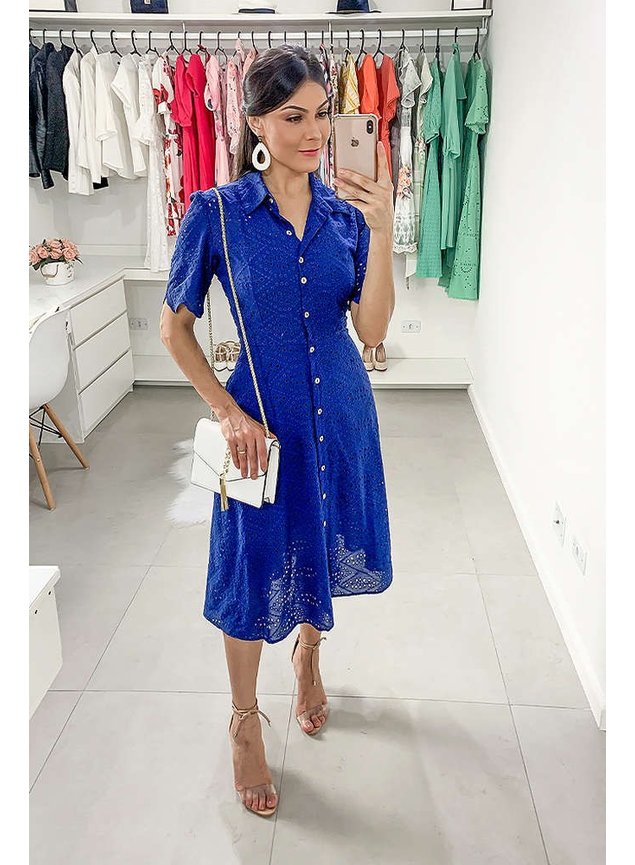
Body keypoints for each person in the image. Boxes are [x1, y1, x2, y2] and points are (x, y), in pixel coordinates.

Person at [159, 44, 395, 817]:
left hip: (341, 416)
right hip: (256, 427)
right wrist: (225, 411)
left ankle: (308, 656)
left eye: (322, 114)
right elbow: (174, 328)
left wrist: (381, 230)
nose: (314, 131)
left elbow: (371, 330)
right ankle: (242, 721)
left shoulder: (343, 216)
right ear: (256, 121)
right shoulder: (217, 212)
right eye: (293, 117)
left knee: (319, 539)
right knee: (247, 569)